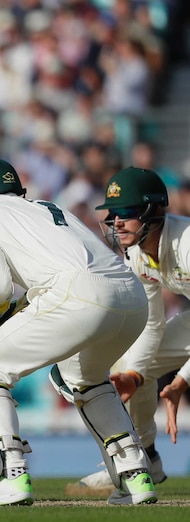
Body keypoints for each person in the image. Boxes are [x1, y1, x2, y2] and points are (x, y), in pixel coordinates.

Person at [0, 157, 156, 506]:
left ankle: (9, 476)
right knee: (86, 378)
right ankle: (135, 475)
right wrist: (13, 309)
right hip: (130, 298)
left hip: (79, 296)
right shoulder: (47, 207)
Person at [77, 166, 188, 490]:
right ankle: (145, 460)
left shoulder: (187, 244)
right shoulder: (137, 254)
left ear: (154, 212)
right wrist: (135, 376)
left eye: (126, 212)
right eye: (112, 214)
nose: (117, 221)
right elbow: (151, 323)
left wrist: (182, 380)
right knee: (135, 367)